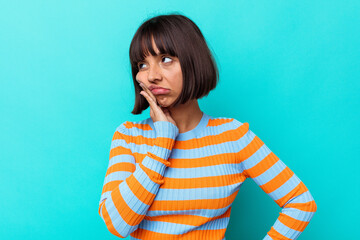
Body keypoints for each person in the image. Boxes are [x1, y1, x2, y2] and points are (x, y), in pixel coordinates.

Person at [98, 13, 317, 240]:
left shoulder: (232, 137)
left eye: (165, 59)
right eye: (142, 64)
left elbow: (301, 202)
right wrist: (163, 140)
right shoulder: (128, 137)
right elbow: (117, 225)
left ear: (193, 61)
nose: (152, 76)